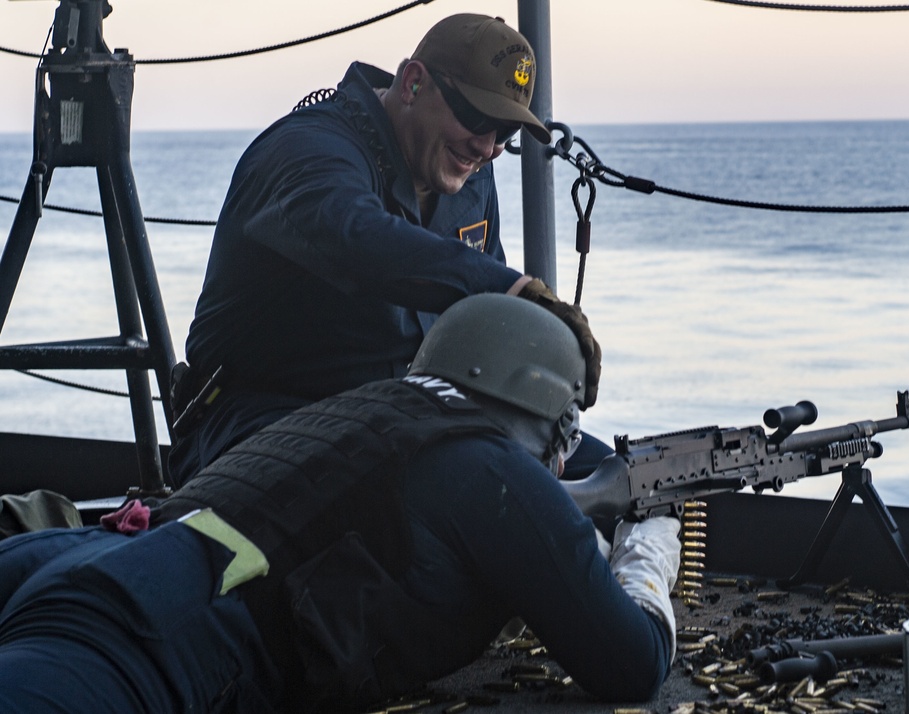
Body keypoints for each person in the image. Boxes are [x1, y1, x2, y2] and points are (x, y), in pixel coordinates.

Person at [0, 294, 680, 713]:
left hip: (80, 554)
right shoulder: (494, 468)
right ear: (554, 417)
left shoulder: (365, 408)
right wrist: (648, 552)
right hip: (152, 628)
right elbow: (631, 663)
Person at [168, 13, 603, 487]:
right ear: (413, 83)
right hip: (259, 419)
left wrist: (543, 416)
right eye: (476, 117)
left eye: (505, 132)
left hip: (404, 417)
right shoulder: (306, 149)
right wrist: (512, 289)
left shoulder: (470, 172)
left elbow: (485, 326)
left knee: (612, 473)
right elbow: (359, 239)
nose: (487, 147)